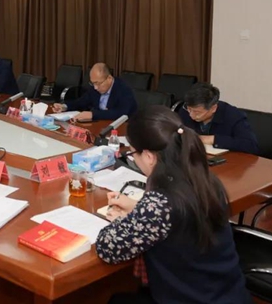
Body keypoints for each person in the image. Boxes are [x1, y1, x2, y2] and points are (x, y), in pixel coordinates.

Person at [95, 106, 250, 304]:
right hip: (227, 292)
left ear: (149, 156)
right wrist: (138, 209)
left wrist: (122, 221)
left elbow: (107, 248)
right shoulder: (204, 179)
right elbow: (179, 217)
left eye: (133, 153)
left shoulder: (160, 203)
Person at [179, 83, 259, 155]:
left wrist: (213, 139)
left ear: (213, 108)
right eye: (189, 109)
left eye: (197, 113)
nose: (191, 115)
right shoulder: (185, 110)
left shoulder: (233, 115)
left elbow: (251, 145)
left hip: (227, 161)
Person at [54, 63, 137, 122]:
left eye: (98, 83)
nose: (95, 87)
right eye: (93, 83)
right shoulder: (95, 88)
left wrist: (93, 115)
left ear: (109, 78)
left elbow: (121, 114)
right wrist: (65, 106)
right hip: (99, 125)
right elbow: (82, 101)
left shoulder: (123, 89)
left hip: (120, 128)